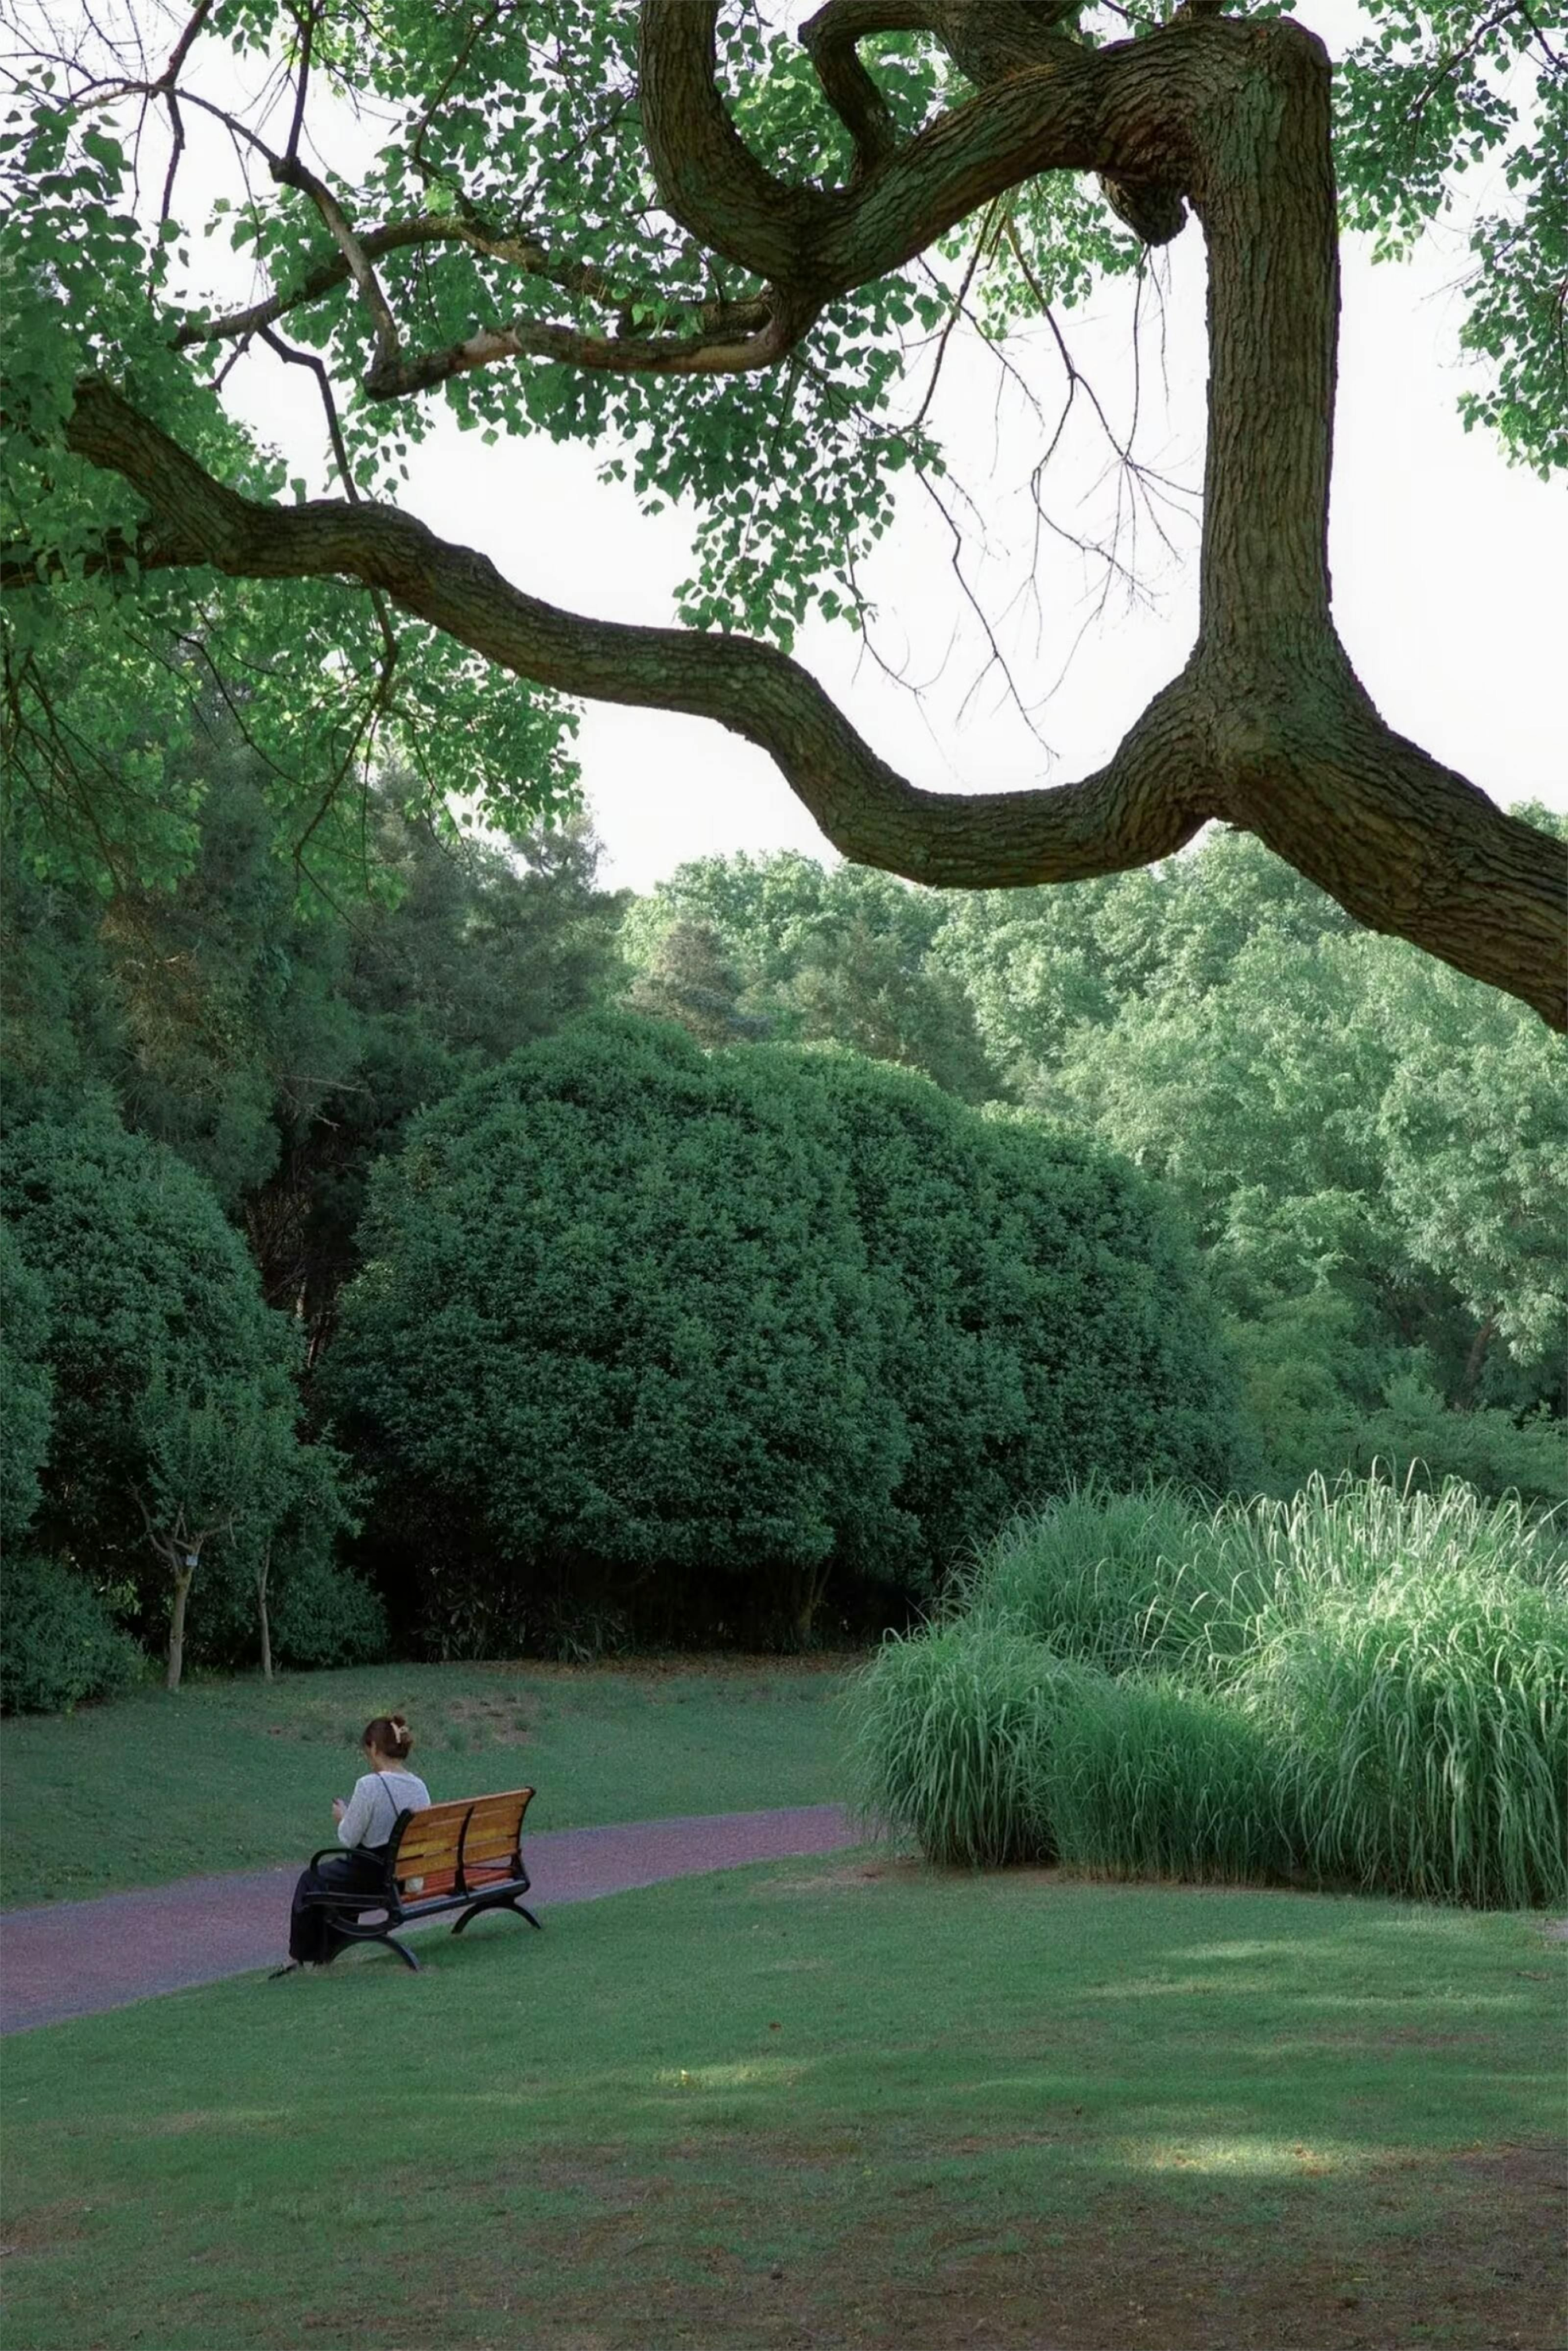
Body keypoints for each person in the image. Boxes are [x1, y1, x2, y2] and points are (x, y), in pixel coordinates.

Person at [275, 1713, 430, 1973]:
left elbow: (348, 1837)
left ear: (373, 1747)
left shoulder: (369, 1785)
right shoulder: (419, 1786)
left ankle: (296, 1958)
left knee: (310, 1879)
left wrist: (343, 1816)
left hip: (372, 1877)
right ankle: (325, 1953)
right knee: (331, 1877)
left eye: (367, 1750)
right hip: (402, 1877)